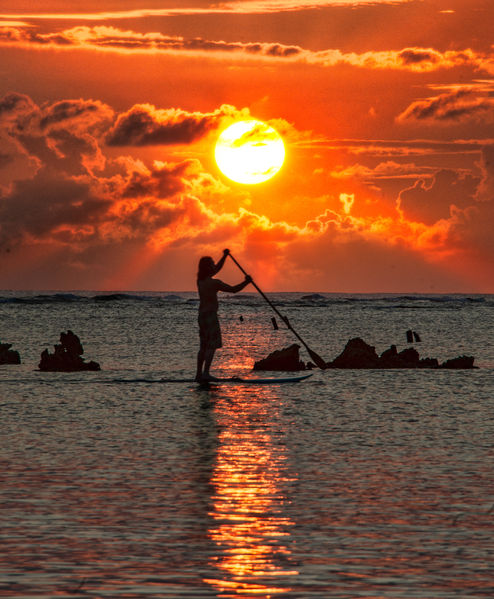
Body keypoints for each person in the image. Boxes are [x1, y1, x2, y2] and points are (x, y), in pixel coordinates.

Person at [195, 249, 251, 381]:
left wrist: (224, 256)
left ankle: (199, 374)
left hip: (201, 316)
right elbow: (233, 290)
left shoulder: (200, 281)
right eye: (211, 264)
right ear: (207, 268)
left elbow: (216, 269)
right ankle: (206, 374)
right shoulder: (214, 283)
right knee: (211, 345)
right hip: (210, 317)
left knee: (203, 346)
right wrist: (246, 282)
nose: (214, 266)